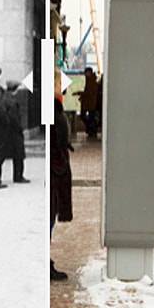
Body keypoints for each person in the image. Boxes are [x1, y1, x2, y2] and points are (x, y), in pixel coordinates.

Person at [50, 94, 73, 281]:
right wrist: (61, 164)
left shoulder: (55, 110)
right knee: (49, 218)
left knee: (50, 217)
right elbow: (53, 143)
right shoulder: (52, 112)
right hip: (55, 175)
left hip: (55, 173)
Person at [3, 80, 30, 184]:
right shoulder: (13, 102)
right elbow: (14, 118)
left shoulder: (4, 98)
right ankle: (18, 176)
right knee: (19, 155)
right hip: (14, 132)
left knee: (4, 154)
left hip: (6, 131)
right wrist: (20, 128)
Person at [73, 67, 99, 140]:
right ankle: (91, 129)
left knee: (88, 117)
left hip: (90, 103)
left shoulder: (92, 82)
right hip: (89, 102)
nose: (85, 74)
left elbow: (88, 92)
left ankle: (92, 129)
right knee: (89, 117)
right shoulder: (90, 80)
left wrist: (80, 94)